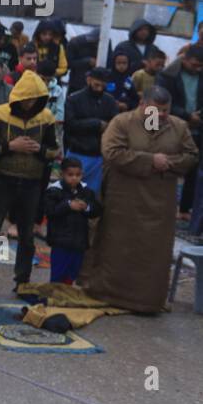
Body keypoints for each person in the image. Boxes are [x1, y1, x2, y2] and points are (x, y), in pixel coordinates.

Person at [84, 88, 198, 312]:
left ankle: (147, 301)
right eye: (156, 110)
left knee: (152, 253)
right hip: (123, 199)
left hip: (160, 202)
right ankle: (108, 292)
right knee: (116, 245)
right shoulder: (122, 122)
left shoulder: (178, 126)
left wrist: (169, 163)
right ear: (142, 104)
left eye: (165, 110)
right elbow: (112, 152)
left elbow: (191, 156)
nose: (161, 115)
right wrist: (150, 161)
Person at [0, 71, 60, 298]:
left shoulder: (46, 117)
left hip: (32, 182)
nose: (30, 103)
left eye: (35, 99)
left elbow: (53, 151)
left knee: (27, 235)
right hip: (1, 179)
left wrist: (39, 150)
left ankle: (22, 280)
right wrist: (10, 147)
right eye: (27, 98)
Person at [157, 44, 203, 216]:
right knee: (165, 167)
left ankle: (185, 209)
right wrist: (187, 115)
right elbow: (160, 102)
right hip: (171, 127)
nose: (197, 69)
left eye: (200, 66)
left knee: (194, 169)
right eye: (194, 65)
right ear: (184, 59)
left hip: (197, 129)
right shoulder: (167, 76)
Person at [44, 158, 102, 285]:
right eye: (70, 175)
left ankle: (66, 291)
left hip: (79, 242)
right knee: (58, 274)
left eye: (78, 175)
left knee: (72, 273)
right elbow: (50, 211)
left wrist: (86, 207)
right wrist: (68, 205)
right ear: (62, 174)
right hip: (60, 242)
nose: (74, 178)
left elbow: (96, 210)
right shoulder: (54, 191)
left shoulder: (86, 191)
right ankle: (55, 293)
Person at [63, 67, 119, 190]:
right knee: (70, 191)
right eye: (96, 85)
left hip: (98, 155)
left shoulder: (110, 101)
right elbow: (70, 124)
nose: (99, 89)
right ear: (89, 80)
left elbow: (115, 124)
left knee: (92, 194)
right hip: (77, 152)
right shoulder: (74, 99)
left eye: (102, 86)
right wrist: (96, 124)